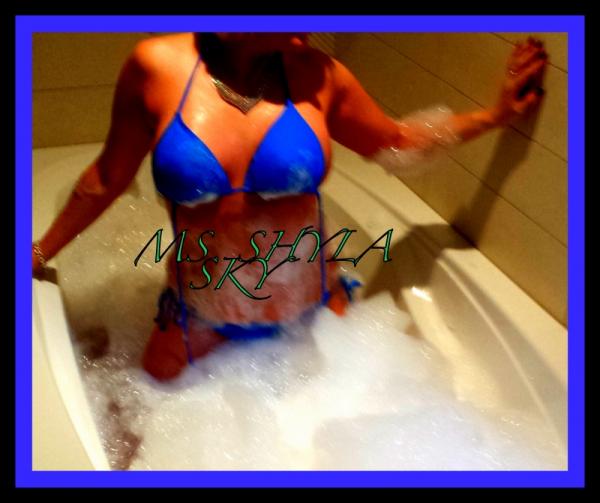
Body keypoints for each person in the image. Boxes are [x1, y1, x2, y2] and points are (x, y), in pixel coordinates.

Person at [32, 32, 547, 380]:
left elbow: (397, 143)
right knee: (132, 441)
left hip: (316, 315)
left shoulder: (318, 75)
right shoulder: (156, 67)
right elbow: (106, 179)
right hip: (197, 320)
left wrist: (495, 115)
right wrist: (38, 252)